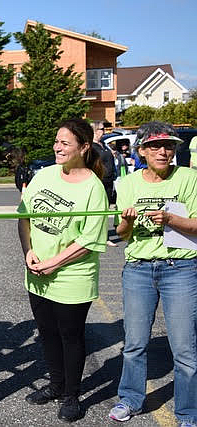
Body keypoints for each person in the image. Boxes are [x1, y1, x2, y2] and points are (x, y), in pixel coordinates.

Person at [17, 118, 108, 423]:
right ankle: (55, 385)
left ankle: (72, 394)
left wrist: (54, 263)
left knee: (70, 336)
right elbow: (24, 217)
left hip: (71, 276)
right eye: (56, 141)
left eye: (65, 143)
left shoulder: (94, 188)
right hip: (38, 272)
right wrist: (28, 251)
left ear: (84, 147)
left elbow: (90, 240)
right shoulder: (44, 176)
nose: (57, 147)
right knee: (47, 334)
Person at [108, 121, 197, 426]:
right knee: (134, 343)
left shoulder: (188, 178)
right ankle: (130, 400)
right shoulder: (129, 184)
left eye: (169, 145)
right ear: (142, 150)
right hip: (138, 270)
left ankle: (188, 413)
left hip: (180, 269)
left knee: (184, 348)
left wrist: (170, 219)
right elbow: (121, 232)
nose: (164, 151)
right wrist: (128, 222)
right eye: (156, 146)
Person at [91, 121, 118, 247]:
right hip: (98, 181)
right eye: (102, 129)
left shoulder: (103, 145)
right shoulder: (91, 147)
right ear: (95, 131)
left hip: (108, 181)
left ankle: (103, 236)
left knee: (105, 210)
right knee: (97, 210)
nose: (104, 131)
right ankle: (100, 237)